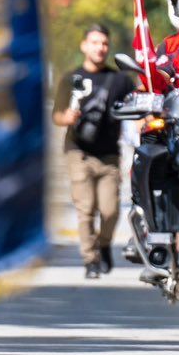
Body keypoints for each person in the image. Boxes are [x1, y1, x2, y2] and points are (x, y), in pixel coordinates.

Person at [52, 25, 135, 280]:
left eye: (104, 44)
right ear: (84, 46)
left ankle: (104, 243)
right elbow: (57, 115)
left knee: (111, 211)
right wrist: (66, 117)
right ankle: (90, 259)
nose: (100, 48)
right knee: (85, 208)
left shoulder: (120, 80)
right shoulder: (70, 79)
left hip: (109, 153)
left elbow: (137, 106)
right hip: (79, 152)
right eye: (95, 42)